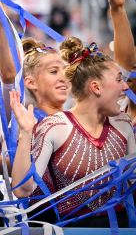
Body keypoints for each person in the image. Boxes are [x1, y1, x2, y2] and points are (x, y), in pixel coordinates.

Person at [10, 36, 135, 227]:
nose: (125, 86)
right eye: (119, 79)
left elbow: (132, 186)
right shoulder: (55, 127)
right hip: (71, 230)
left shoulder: (123, 125)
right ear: (96, 87)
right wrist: (26, 134)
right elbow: (23, 190)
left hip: (120, 228)